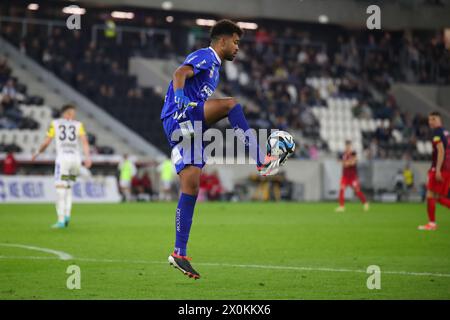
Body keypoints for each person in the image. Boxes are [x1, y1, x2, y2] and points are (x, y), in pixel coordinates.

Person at [161, 20, 285, 279]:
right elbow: (179, 73)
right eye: (236, 42)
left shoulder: (216, 70)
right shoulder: (207, 56)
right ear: (222, 41)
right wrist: (181, 96)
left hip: (187, 125)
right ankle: (261, 158)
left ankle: (178, 253)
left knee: (192, 184)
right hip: (180, 115)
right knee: (231, 105)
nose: (238, 48)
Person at [31, 104, 91, 228]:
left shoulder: (55, 124)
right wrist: (87, 157)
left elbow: (46, 143)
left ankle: (61, 220)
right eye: (72, 113)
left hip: (63, 161)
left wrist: (37, 153)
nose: (74, 115)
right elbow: (85, 142)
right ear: (67, 113)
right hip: (76, 162)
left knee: (60, 190)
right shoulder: (78, 125)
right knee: (69, 187)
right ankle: (67, 215)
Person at [418, 112, 450, 231]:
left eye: (433, 119)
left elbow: (441, 151)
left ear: (439, 120)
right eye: (429, 119)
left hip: (440, 168)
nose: (430, 121)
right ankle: (431, 223)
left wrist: (437, 170)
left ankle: (431, 224)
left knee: (430, 195)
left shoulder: (437, 132)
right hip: (447, 169)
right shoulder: (445, 132)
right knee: (438, 197)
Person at [335, 140, 369, 212]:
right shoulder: (343, 154)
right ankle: (341, 207)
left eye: (349, 145)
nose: (348, 147)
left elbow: (353, 162)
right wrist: (346, 163)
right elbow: (338, 161)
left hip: (352, 176)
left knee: (357, 191)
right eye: (347, 145)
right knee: (341, 190)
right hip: (345, 176)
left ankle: (365, 203)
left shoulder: (353, 153)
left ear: (350, 146)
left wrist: (346, 163)